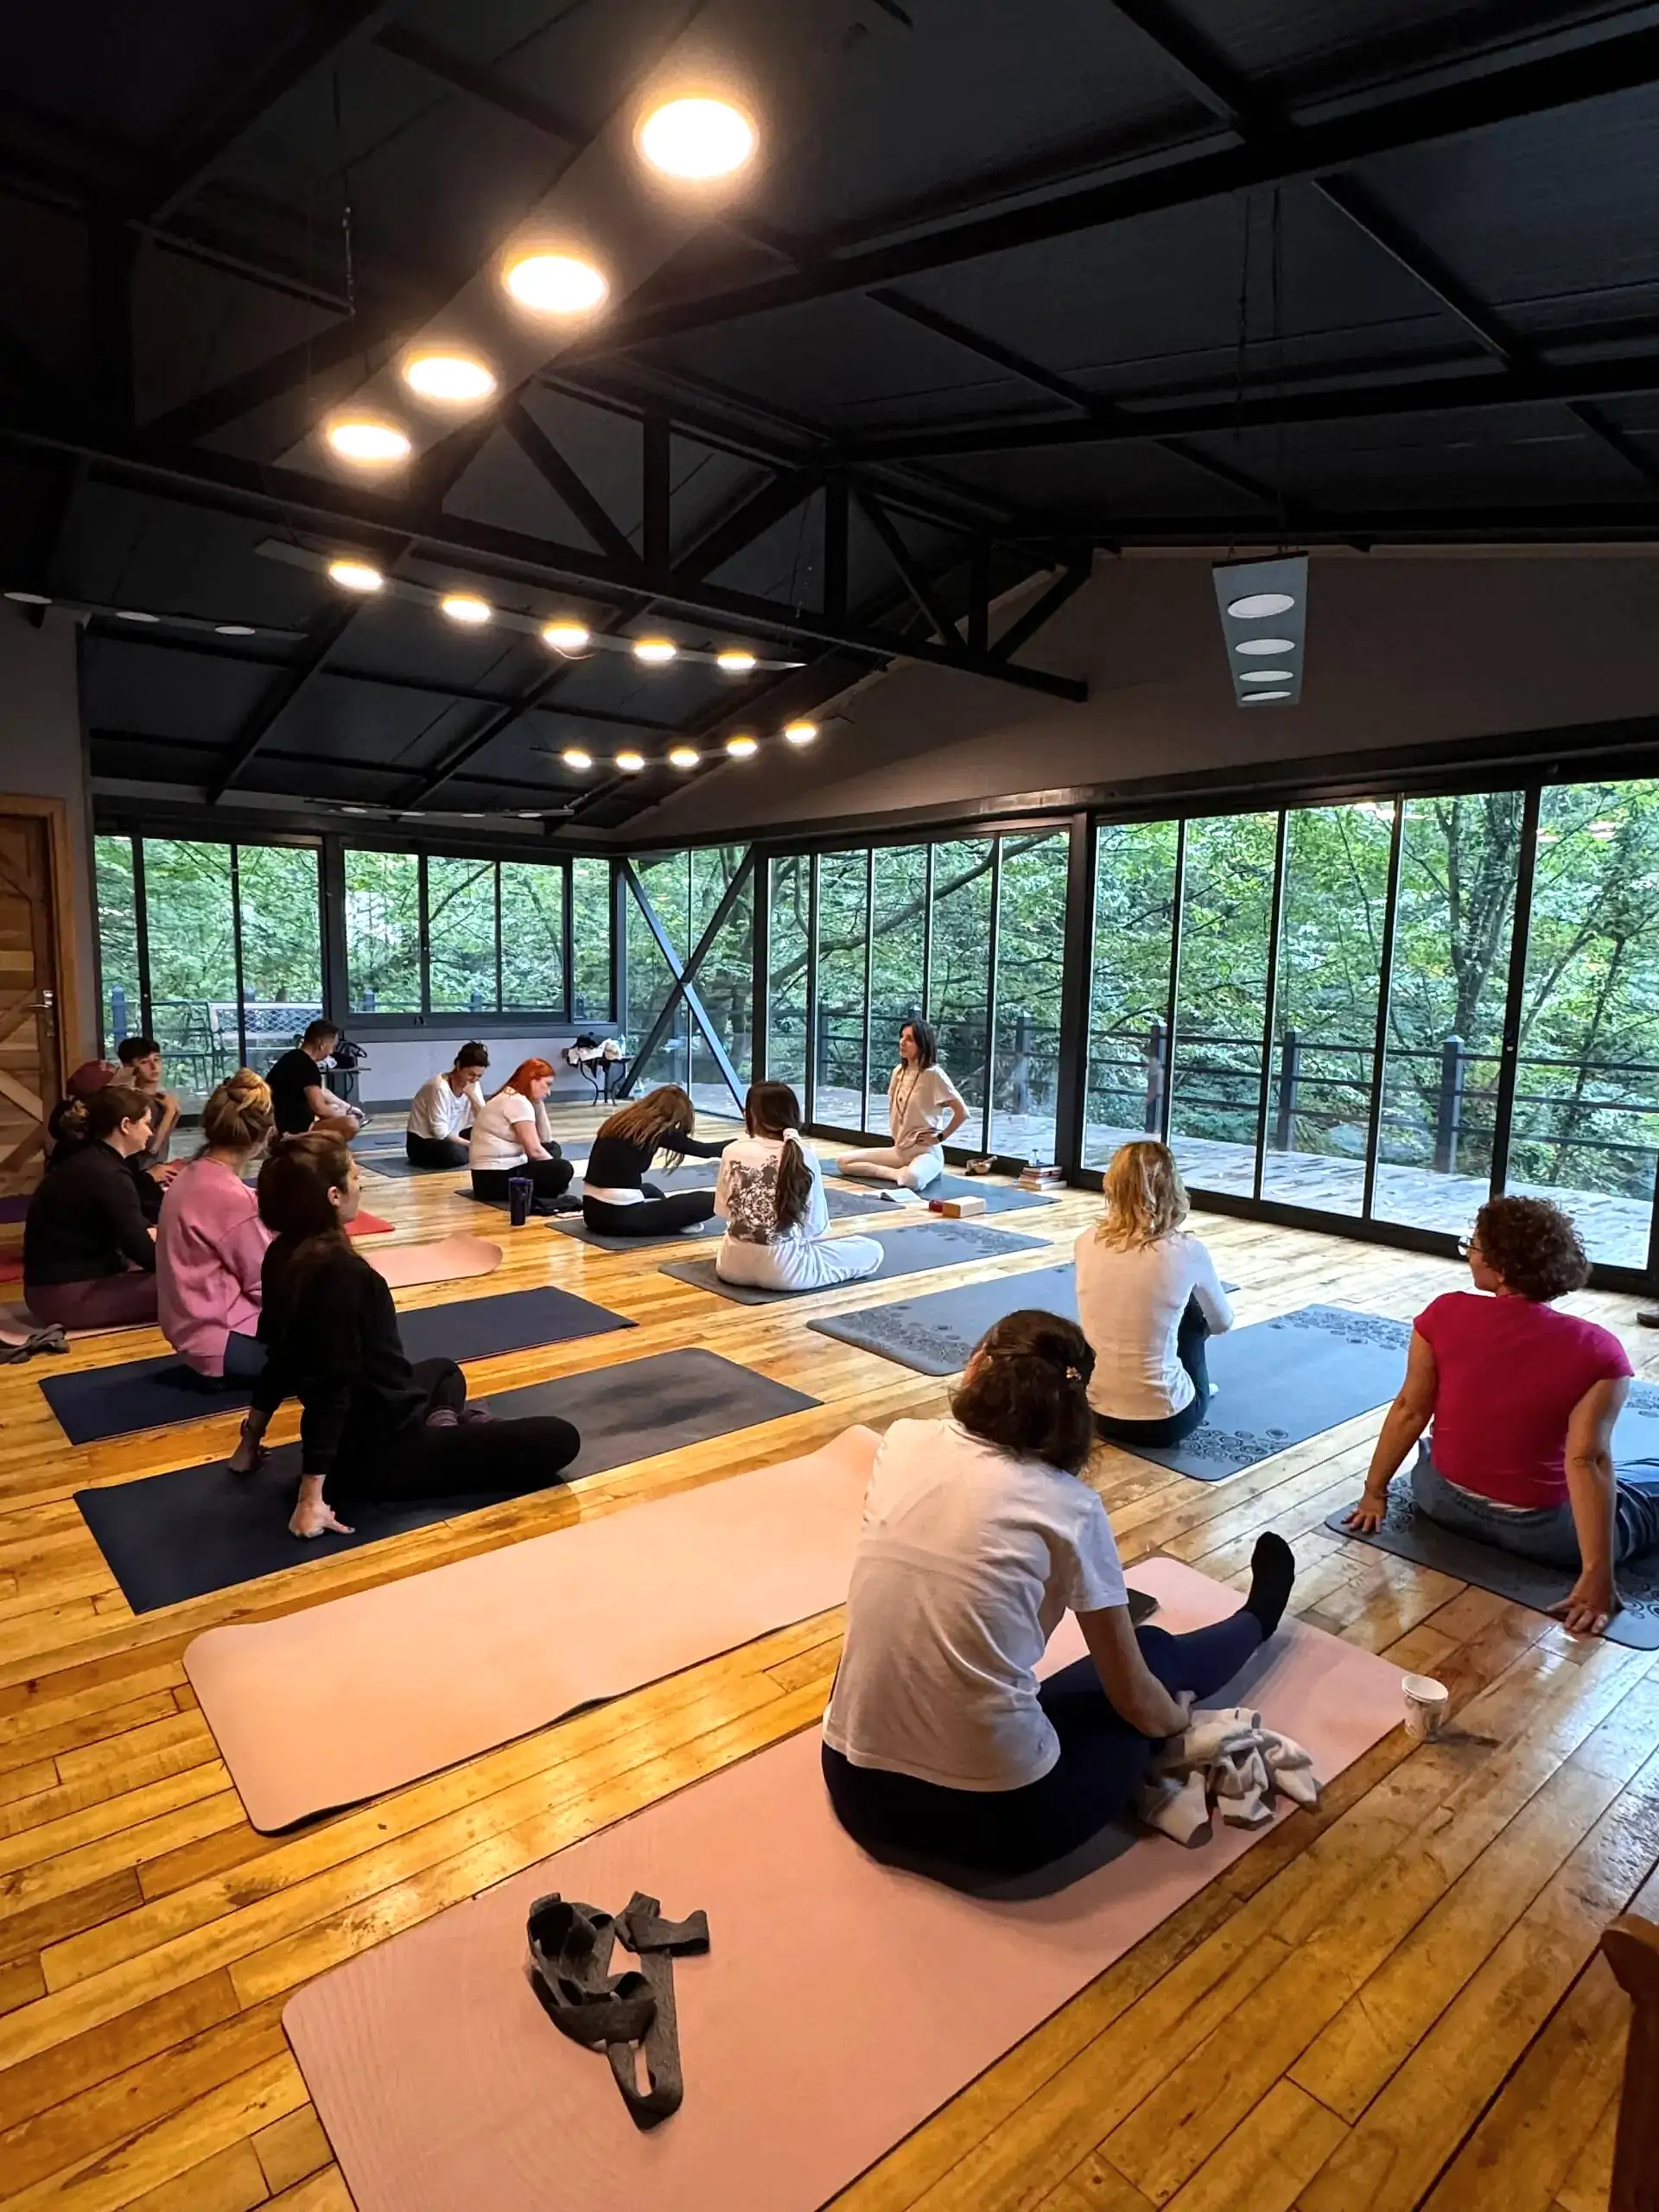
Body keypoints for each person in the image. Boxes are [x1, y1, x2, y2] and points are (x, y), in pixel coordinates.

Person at [821, 1310, 1296, 1884]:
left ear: (975, 1367)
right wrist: (1176, 1721)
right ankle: (1259, 1618)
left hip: (854, 1787)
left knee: (918, 1641)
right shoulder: (1070, 1507)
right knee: (1149, 1653)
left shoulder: (902, 1441)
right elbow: (1134, 1699)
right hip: (1003, 1826)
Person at [230, 1132, 582, 1539]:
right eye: (354, 1177)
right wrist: (311, 1498)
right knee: (560, 1438)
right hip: (384, 1451)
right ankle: (447, 1437)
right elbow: (331, 1387)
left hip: (368, 1423)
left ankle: (446, 1430)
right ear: (333, 1196)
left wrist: (250, 1441)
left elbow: (280, 1358)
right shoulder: (344, 1275)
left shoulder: (281, 1256)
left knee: (445, 1371)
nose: (360, 1185)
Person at [1344, 1194, 1658, 1638]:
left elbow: (1410, 1411)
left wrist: (1374, 1494)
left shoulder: (1443, 1313)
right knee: (1644, 1484)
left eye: (1473, 1245)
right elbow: (1587, 1460)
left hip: (1440, 1500)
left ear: (1503, 1267)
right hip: (1547, 1534)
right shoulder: (1599, 1350)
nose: (1469, 1254)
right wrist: (1597, 1576)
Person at [1076, 1141, 1234, 1448]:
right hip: (1168, 1421)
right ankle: (1193, 1385)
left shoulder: (1085, 1241)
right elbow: (1221, 1323)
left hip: (1095, 1415)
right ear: (1173, 1188)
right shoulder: (1188, 1251)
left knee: (1119, 1301)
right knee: (1191, 1312)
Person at [156, 1070, 274, 1381]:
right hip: (224, 1342)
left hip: (192, 1332)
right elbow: (268, 1284)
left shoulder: (191, 1174)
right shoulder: (230, 1197)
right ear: (264, 1135)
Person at [715, 1082, 885, 1294]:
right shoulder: (804, 1155)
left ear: (751, 1115)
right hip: (785, 1274)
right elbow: (815, 1228)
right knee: (871, 1249)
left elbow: (724, 1211)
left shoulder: (731, 1151)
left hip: (729, 1267)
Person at [22, 1084, 161, 1331]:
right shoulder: (106, 1173)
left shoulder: (91, 1159)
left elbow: (131, 1230)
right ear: (126, 1125)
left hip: (51, 1290)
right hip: (64, 1297)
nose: (150, 1132)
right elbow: (144, 1252)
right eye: (146, 1123)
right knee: (198, 1284)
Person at [581, 1085, 729, 1238]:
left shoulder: (619, 1122)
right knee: (712, 1201)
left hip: (592, 1215)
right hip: (621, 1218)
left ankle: (666, 1218)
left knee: (651, 1190)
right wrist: (741, 1144)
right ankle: (674, 1223)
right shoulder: (657, 1131)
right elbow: (704, 1150)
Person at [837, 1020, 969, 1192]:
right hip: (900, 1151)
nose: (902, 1042)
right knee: (844, 1162)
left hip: (925, 1152)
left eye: (910, 1039)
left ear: (922, 1045)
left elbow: (962, 1112)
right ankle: (897, 1174)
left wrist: (939, 1138)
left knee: (912, 1180)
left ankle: (913, 1173)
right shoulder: (898, 1072)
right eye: (902, 1037)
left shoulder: (934, 1075)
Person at [467, 1059, 574, 1211]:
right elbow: (534, 1151)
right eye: (547, 1084)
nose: (549, 1092)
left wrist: (539, 1103)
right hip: (494, 1179)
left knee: (553, 1148)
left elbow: (546, 1140)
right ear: (532, 1080)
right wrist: (558, 1172)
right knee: (563, 1168)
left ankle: (549, 1186)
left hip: (486, 1179)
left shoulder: (511, 1096)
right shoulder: (517, 1102)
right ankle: (549, 1187)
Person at [264, 1020, 365, 1141]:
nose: (331, 1052)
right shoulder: (307, 1067)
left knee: (334, 1107)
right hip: (291, 1130)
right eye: (332, 1046)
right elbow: (320, 1109)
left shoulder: (292, 1057)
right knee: (350, 1124)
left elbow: (320, 1091)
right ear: (321, 1044)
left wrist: (348, 1108)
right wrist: (343, 1115)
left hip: (279, 1121)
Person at [406, 1043, 489, 1169]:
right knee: (454, 1153)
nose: (474, 1079)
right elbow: (439, 1133)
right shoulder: (439, 1087)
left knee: (490, 1136)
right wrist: (471, 1145)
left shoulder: (473, 1084)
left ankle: (472, 1151)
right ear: (458, 1066)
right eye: (471, 1074)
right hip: (425, 1142)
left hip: (455, 1135)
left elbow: (486, 1120)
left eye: (479, 1076)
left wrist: (473, 1097)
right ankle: (472, 1152)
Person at [116, 1035, 181, 1173]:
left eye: (156, 1059)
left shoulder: (159, 1098)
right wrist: (169, 1112)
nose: (154, 1066)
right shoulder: (132, 1100)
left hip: (158, 1168)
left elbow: (163, 1140)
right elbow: (151, 1149)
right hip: (139, 1173)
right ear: (128, 1067)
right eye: (144, 1062)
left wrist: (174, 1113)